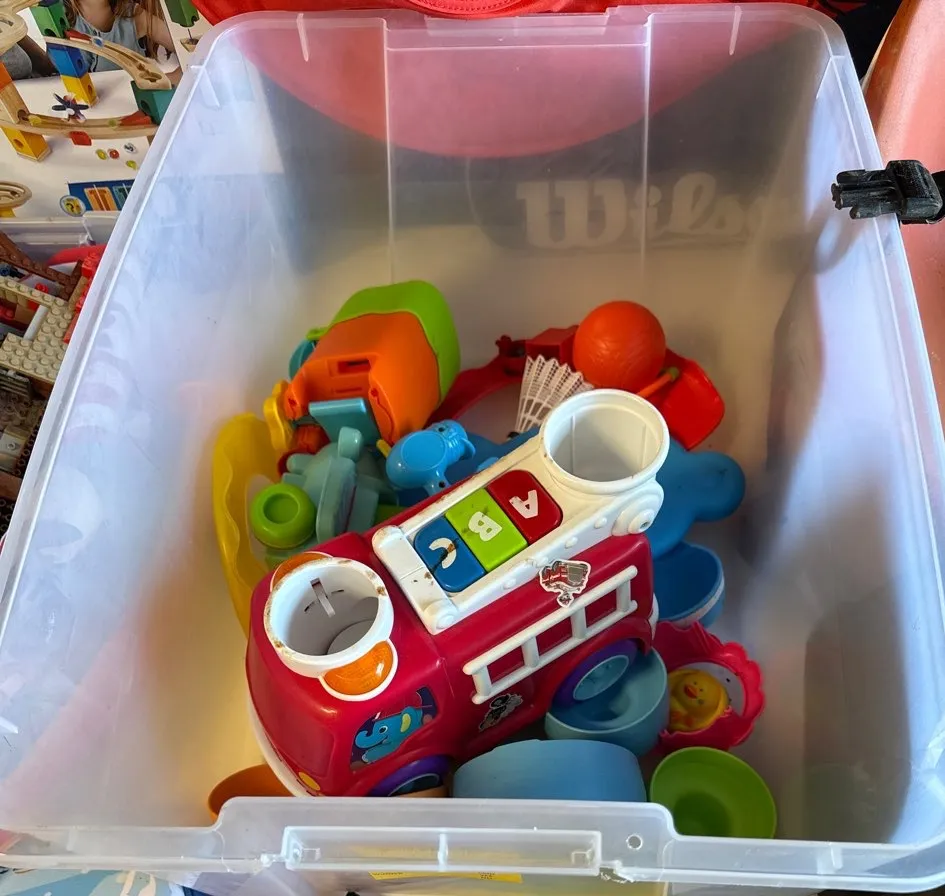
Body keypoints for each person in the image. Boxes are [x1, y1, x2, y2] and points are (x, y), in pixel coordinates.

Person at [61, 0, 180, 82]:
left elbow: (186, 49)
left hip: (134, 104)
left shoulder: (135, 16)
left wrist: (169, 81)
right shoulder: (61, 19)